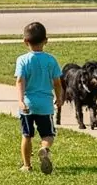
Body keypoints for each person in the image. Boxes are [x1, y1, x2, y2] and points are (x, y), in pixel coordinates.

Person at [15, 21, 62, 174]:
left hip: (28, 104)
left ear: (25, 41)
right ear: (46, 40)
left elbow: (20, 81)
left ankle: (27, 165)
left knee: (26, 135)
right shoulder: (51, 60)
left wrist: (21, 100)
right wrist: (59, 98)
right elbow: (57, 83)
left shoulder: (22, 60)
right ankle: (44, 148)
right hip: (45, 105)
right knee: (48, 134)